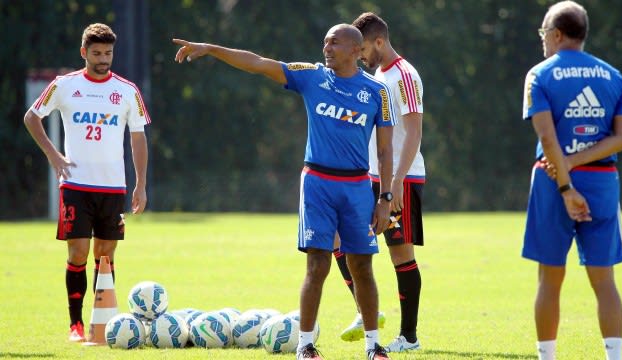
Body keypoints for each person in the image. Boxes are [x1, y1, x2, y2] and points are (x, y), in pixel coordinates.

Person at [173, 23, 396, 360]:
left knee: (362, 266)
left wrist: (385, 198)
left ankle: (373, 346)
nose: (326, 48)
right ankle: (305, 346)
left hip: (358, 187)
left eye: (334, 43)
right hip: (318, 183)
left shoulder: (377, 92)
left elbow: (385, 151)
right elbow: (259, 62)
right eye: (324, 42)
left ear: (356, 49)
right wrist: (211, 48)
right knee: (317, 264)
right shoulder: (312, 76)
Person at [24, 23, 150, 342]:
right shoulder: (64, 85)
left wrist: (141, 184)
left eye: (108, 53)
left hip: (113, 188)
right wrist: (54, 156)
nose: (103, 59)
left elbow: (138, 138)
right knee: (77, 253)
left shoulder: (126, 90)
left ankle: (104, 325)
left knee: (105, 258)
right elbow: (31, 117)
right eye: (96, 53)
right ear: (84, 53)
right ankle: (75, 325)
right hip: (76, 184)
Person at [522, 2, 622, 360]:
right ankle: (615, 357)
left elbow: (548, 138)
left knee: (550, 279)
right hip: (603, 180)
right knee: (605, 281)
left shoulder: (539, 74)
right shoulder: (615, 77)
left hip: (553, 181)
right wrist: (577, 161)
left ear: (555, 35)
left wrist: (567, 183)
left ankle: (547, 357)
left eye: (543, 34)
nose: (542, 41)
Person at [333, 12, 426, 353]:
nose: (359, 56)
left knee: (400, 255)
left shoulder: (404, 75)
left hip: (403, 177)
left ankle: (409, 337)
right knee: (337, 239)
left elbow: (414, 130)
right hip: (371, 176)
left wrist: (397, 182)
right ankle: (364, 310)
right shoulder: (378, 74)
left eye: (363, 50)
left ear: (378, 41)